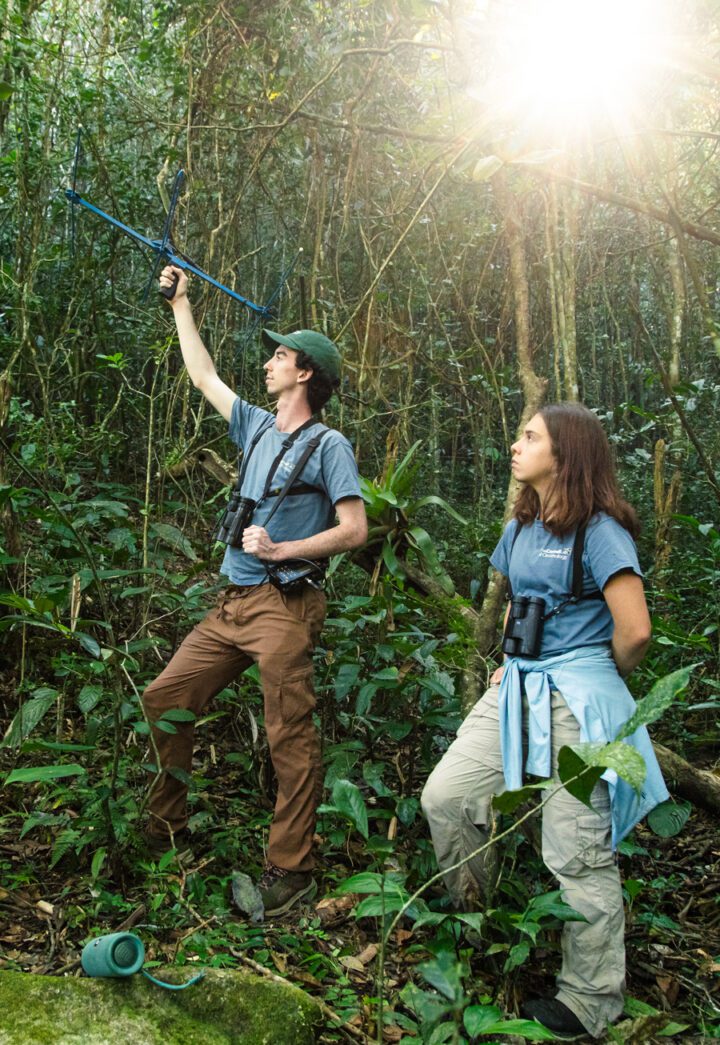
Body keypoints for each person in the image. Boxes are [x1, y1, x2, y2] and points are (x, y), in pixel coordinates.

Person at [421, 403, 669, 1039]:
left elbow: (635, 631)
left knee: (577, 851)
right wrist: (510, 658)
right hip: (517, 684)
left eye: (530, 436)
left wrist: (587, 670)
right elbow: (515, 606)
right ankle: (480, 921)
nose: (515, 444)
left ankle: (589, 1000)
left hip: (576, 696)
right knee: (447, 796)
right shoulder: (522, 525)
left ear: (568, 453)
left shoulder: (602, 530)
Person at [142, 264, 367, 917]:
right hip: (231, 604)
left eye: (279, 355)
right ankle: (167, 828)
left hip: (283, 606)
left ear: (305, 374)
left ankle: (292, 872)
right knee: (166, 697)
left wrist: (283, 548)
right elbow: (204, 376)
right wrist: (181, 304)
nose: (268, 361)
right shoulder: (257, 426)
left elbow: (354, 529)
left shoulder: (330, 445)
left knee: (288, 736)